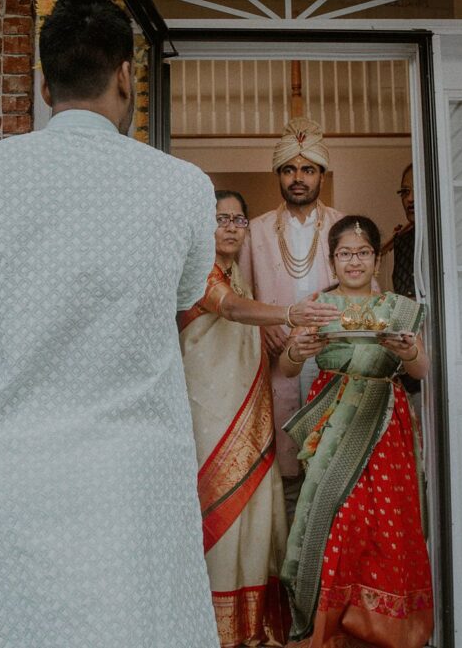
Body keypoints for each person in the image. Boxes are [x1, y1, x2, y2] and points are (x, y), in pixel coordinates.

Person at [0, 0, 220, 646]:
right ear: (126, 75)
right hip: (135, 488)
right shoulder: (184, 185)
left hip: (9, 481)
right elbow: (188, 290)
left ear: (43, 83)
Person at [179, 190, 340, 648]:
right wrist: (289, 312)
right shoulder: (198, 273)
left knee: (255, 513)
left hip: (249, 408)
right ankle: (209, 628)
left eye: (238, 220)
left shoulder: (239, 277)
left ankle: (250, 626)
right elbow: (228, 309)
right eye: (220, 218)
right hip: (208, 413)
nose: (230, 226)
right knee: (219, 509)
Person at [278, 216, 434, 648]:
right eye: (345, 253)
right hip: (333, 426)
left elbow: (422, 369)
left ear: (375, 259)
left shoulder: (398, 309)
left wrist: (410, 350)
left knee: (386, 525)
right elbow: (286, 367)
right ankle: (332, 630)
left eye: (363, 252)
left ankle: (385, 629)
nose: (354, 261)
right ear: (332, 261)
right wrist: (296, 349)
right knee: (336, 521)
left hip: (385, 423)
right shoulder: (317, 306)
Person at [239, 117, 347, 519]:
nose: (297, 178)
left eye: (307, 169)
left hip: (330, 357)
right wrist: (266, 325)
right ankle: (287, 575)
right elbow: (242, 295)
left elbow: (363, 294)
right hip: (278, 360)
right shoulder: (257, 230)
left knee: (330, 462)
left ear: (321, 173)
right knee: (284, 468)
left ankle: (324, 570)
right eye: (288, 170)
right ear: (278, 175)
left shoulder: (343, 226)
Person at [380, 163, 416, 299]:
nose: (410, 199)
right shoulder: (402, 241)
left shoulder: (448, 236)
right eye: (405, 192)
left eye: (418, 189)